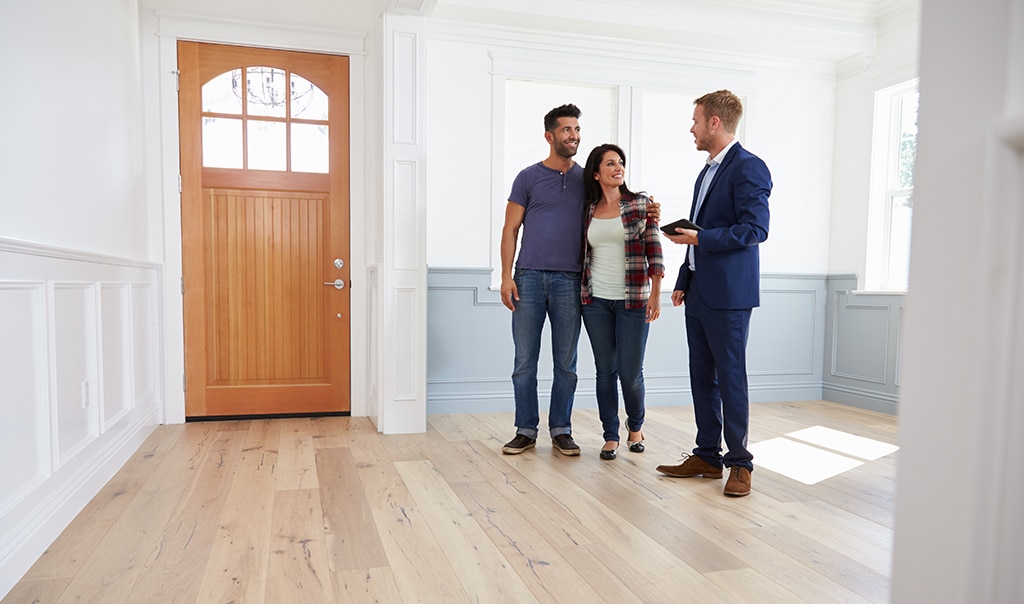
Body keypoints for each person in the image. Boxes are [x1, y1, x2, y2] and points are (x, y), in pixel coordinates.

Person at [499, 104, 661, 457]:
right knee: (524, 360)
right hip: (527, 277)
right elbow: (510, 229)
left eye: (577, 129)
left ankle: (561, 429)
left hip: (571, 281)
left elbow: (618, 206)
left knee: (566, 362)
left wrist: (650, 208)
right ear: (550, 135)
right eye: (566, 130)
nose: (573, 135)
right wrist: (506, 276)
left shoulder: (587, 180)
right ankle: (525, 429)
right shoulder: (527, 177)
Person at [656, 90, 771, 497]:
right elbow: (699, 233)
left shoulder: (749, 168)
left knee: (730, 378)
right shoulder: (706, 171)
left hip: (730, 295)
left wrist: (701, 240)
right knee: (701, 377)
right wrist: (685, 279)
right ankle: (707, 455)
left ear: (715, 123)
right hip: (700, 290)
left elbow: (755, 230)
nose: (692, 128)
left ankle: (740, 463)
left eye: (696, 121)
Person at [580, 143, 664, 460]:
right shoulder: (587, 209)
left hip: (633, 300)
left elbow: (655, 251)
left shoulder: (640, 205)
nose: (619, 168)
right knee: (605, 371)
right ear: (597, 172)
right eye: (611, 164)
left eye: (621, 163)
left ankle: (636, 427)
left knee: (630, 372)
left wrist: (656, 294)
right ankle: (610, 435)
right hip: (595, 301)